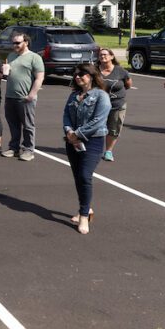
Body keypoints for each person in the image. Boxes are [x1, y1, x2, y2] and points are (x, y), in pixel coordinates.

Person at [62, 64, 111, 235]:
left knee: (85, 175)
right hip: (72, 140)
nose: (77, 77)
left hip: (93, 141)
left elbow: (99, 120)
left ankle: (83, 215)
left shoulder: (101, 95)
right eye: (75, 74)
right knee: (78, 177)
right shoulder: (74, 95)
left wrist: (78, 134)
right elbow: (66, 116)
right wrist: (69, 132)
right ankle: (86, 208)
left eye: (82, 74)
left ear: (91, 76)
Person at [1, 32, 44, 161]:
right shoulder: (11, 56)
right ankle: (14, 148)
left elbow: (39, 77)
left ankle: (28, 150)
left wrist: (32, 95)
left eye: (18, 43)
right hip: (10, 96)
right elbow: (7, 76)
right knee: (13, 124)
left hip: (25, 98)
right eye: (13, 43)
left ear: (26, 42)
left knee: (28, 125)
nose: (15, 45)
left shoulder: (34, 57)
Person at [96, 48, 132, 162]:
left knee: (114, 129)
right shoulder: (94, 71)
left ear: (112, 56)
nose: (103, 56)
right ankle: (93, 149)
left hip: (117, 105)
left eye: (105, 54)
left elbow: (128, 85)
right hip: (97, 105)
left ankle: (108, 151)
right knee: (95, 127)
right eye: (100, 55)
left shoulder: (120, 71)